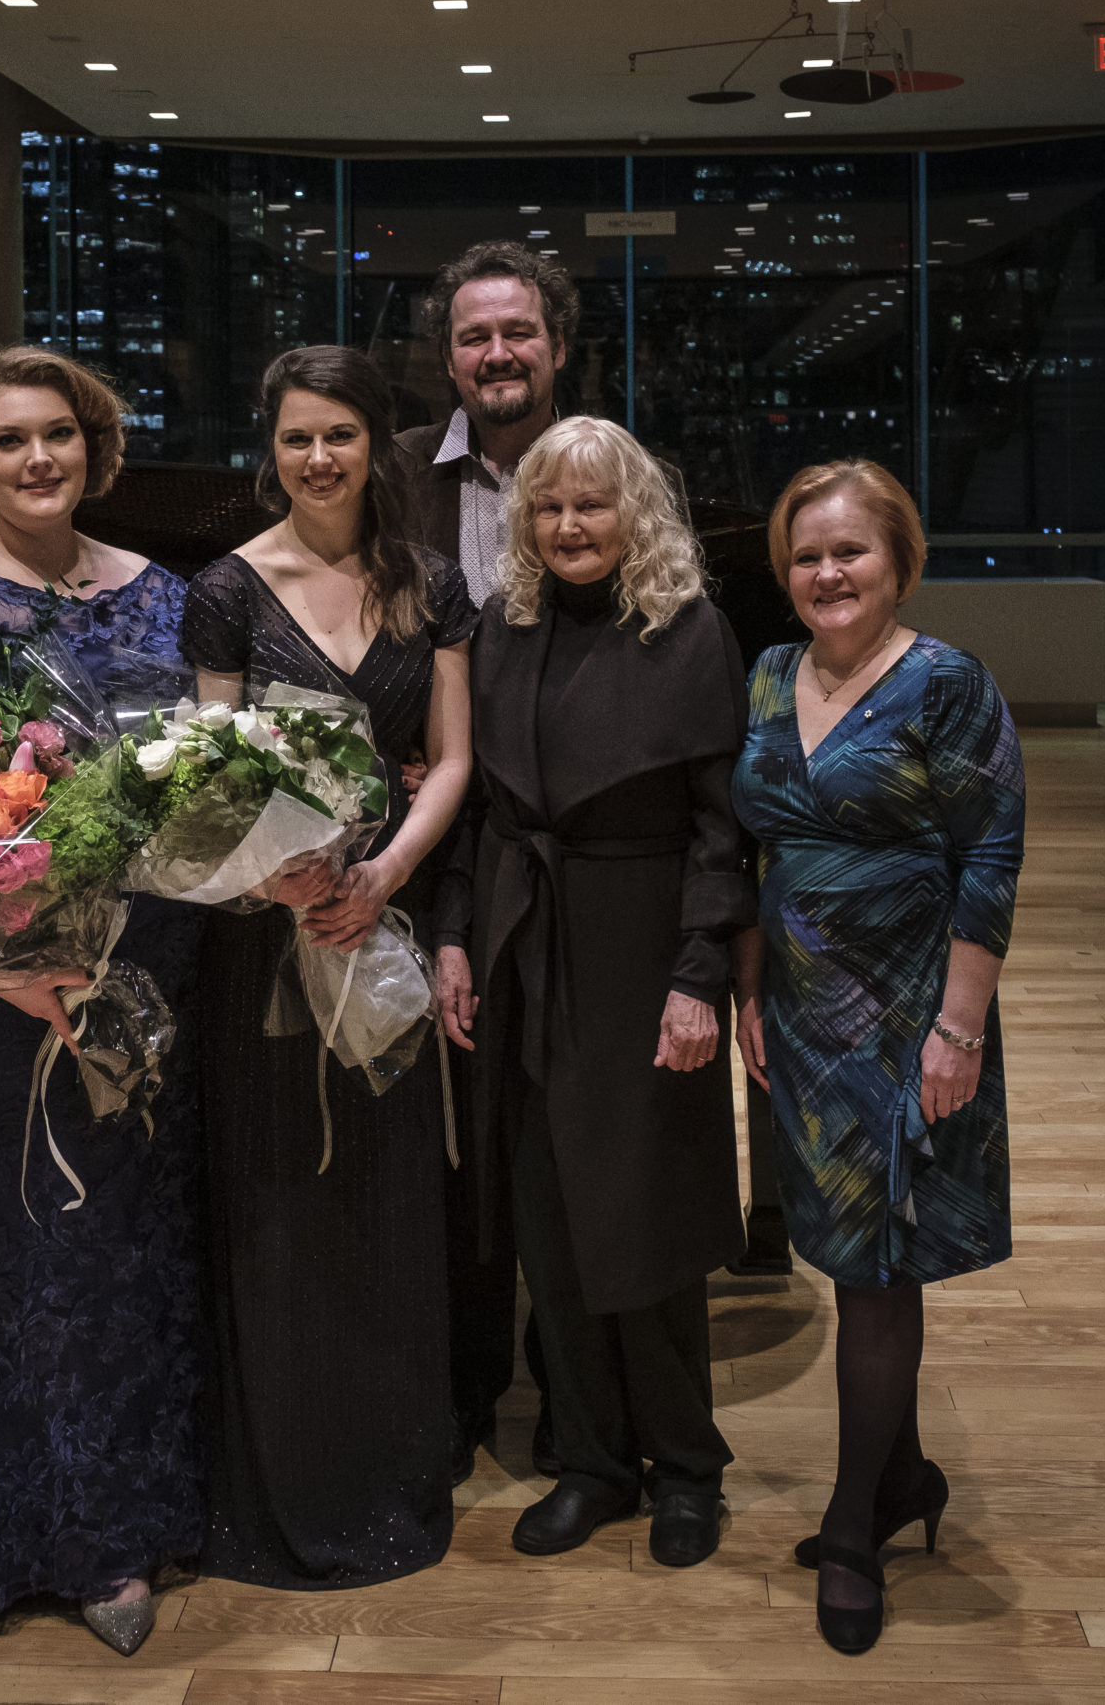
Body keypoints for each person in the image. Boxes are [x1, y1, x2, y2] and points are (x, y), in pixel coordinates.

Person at [0, 346, 202, 1658]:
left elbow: (194, 775)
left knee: (130, 1237)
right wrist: (21, 969)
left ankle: (135, 1514)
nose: (38, 459)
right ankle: (31, 1534)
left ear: (96, 444)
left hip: (146, 958)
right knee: (23, 1238)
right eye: (8, 440)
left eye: (59, 433)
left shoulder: (163, 593)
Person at [181, 345, 476, 1588]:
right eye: (297, 437)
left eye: (340, 436)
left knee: (385, 1200)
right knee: (278, 1202)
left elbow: (452, 757)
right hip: (264, 938)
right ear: (273, 446)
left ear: (376, 446)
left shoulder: (430, 583)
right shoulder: (228, 588)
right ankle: (281, 1473)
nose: (318, 459)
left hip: (379, 927)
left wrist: (381, 879)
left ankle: (388, 1457)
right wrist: (283, 878)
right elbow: (208, 771)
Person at [432, 415, 748, 1570]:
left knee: (645, 1220)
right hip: (523, 941)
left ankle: (687, 1469)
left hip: (639, 943)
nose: (570, 526)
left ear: (636, 514)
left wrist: (698, 976)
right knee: (546, 1219)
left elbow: (724, 829)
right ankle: (596, 1463)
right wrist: (456, 939)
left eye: (593, 505)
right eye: (550, 507)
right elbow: (475, 810)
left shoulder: (692, 629)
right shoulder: (500, 626)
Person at [732, 461, 1022, 1655]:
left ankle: (854, 1524)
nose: (826, 574)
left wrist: (958, 1029)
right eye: (806, 556)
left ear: (898, 558)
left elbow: (989, 860)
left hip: (907, 1011)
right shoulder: (765, 673)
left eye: (849, 552)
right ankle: (900, 1476)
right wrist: (747, 983)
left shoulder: (946, 683)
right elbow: (755, 846)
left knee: (876, 1260)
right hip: (797, 1011)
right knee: (844, 1238)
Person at [394, 241, 579, 1483]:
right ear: (445, 355)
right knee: (439, 1131)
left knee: (557, 1125)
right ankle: (457, 1388)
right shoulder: (392, 474)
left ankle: (575, 1388)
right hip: (419, 841)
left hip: (556, 844)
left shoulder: (609, 472)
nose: (496, 355)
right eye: (473, 337)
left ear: (556, 346)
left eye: (517, 333)